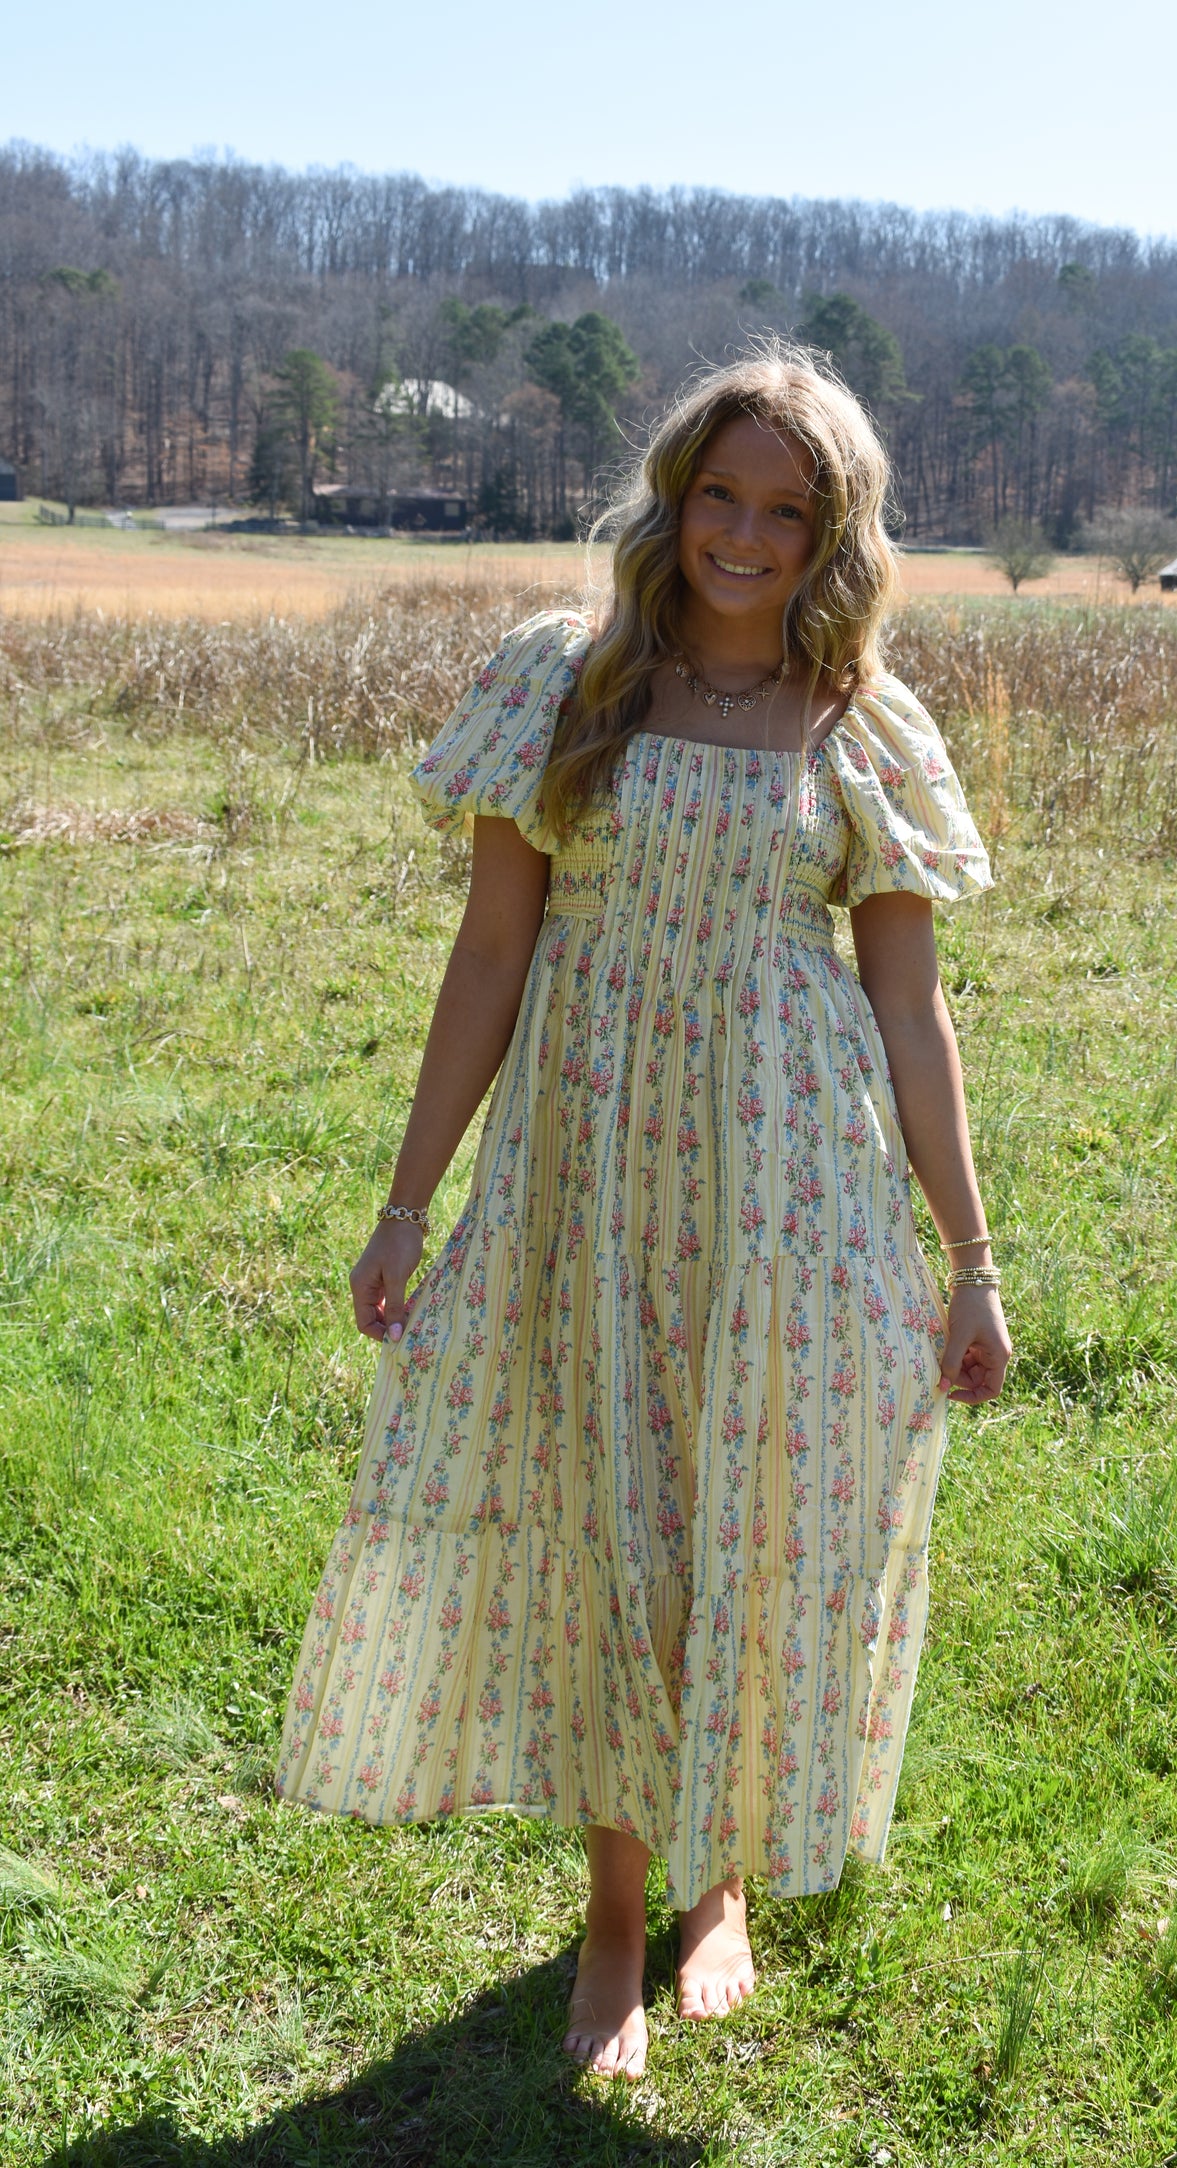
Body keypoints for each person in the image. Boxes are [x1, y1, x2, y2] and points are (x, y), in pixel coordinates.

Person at [275, 346, 1011, 2082]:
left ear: (834, 535)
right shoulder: (565, 678)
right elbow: (491, 953)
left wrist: (971, 1260)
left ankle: (718, 1885)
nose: (744, 535)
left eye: (788, 508)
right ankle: (617, 1911)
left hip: (790, 1184)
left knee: (756, 1514)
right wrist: (406, 1201)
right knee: (611, 1515)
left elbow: (908, 1008)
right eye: (719, 494)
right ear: (673, 492)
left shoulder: (863, 720)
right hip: (586, 1172)